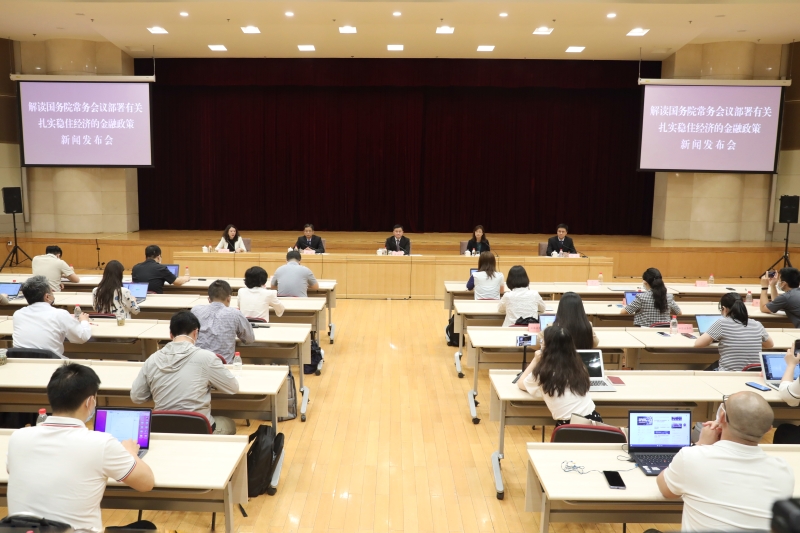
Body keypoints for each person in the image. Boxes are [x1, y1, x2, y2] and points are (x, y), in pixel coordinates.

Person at [7, 363, 155, 531]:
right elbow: (146, 483)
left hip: (22, 530)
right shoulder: (101, 443)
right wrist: (130, 453)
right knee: (146, 526)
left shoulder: (17, 437)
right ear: (90, 401)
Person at [656, 391, 794, 532]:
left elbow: (666, 490)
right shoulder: (784, 471)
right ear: (768, 429)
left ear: (722, 417)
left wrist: (701, 445)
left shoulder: (692, 457)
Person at [131, 311, 240, 435]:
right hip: (198, 431)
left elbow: (137, 397)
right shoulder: (207, 358)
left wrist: (159, 389)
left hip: (162, 431)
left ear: (171, 334)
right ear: (196, 332)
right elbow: (233, 387)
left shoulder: (152, 359)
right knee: (229, 424)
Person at [515, 326, 601, 424]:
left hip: (569, 427)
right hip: (595, 422)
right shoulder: (579, 366)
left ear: (546, 347)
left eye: (542, 342)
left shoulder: (542, 372)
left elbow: (521, 383)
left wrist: (535, 360)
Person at [12, 275, 91, 357]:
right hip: (51, 362)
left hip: (21, 362)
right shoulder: (60, 314)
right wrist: (84, 321)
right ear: (47, 296)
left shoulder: (18, 314)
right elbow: (82, 337)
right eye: (51, 292)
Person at [694, 292, 773, 371]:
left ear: (724, 309)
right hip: (753, 373)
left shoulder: (722, 323)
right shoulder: (757, 324)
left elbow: (698, 344)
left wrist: (711, 340)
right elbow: (770, 345)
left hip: (728, 373)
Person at [191, 280, 254, 363]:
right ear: (229, 298)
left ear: (209, 299)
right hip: (223, 366)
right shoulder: (235, 313)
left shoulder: (195, 311)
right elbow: (249, 339)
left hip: (197, 363)